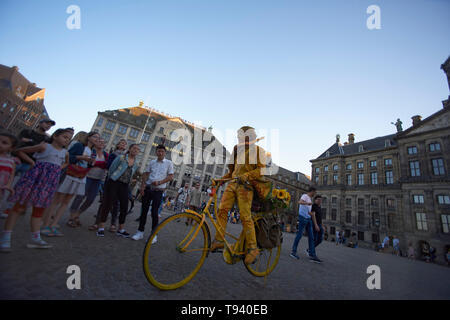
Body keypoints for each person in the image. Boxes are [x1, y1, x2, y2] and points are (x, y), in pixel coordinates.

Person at [0, 129, 71, 252]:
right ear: (55, 136)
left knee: (39, 209)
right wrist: (32, 162)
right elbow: (20, 151)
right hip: (35, 179)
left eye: (69, 138)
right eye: (65, 136)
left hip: (48, 183)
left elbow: (66, 163)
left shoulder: (65, 153)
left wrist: (58, 168)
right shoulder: (44, 146)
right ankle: (6, 236)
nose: (67, 139)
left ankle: (36, 237)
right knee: (19, 207)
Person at [210, 126, 271, 265]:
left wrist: (247, 175)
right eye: (238, 137)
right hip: (232, 184)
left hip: (246, 187)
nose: (239, 139)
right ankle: (219, 240)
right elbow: (231, 173)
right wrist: (219, 181)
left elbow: (263, 170)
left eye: (241, 137)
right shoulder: (236, 150)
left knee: (244, 215)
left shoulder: (258, 151)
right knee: (222, 210)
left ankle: (253, 248)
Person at [43, 131, 99, 234]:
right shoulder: (79, 145)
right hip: (70, 173)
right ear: (89, 137)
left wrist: (91, 163)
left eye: (98, 138)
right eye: (95, 136)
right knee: (57, 199)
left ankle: (54, 224)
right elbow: (67, 157)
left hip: (80, 176)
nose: (97, 139)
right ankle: (45, 225)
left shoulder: (93, 152)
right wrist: (80, 157)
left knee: (66, 202)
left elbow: (89, 165)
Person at [60, 137, 109, 233]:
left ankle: (77, 214)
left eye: (103, 142)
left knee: (91, 199)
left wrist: (97, 163)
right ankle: (71, 217)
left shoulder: (105, 154)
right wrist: (99, 164)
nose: (101, 143)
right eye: (99, 141)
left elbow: (105, 165)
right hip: (87, 176)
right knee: (80, 196)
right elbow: (91, 163)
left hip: (98, 179)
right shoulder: (91, 151)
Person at [96, 144, 141, 237]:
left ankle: (121, 229)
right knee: (107, 204)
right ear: (129, 149)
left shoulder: (136, 163)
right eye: (134, 148)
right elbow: (112, 169)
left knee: (124, 206)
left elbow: (133, 174)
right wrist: (112, 179)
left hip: (124, 185)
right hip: (114, 182)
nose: (135, 150)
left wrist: (132, 180)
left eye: (137, 149)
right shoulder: (121, 158)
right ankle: (101, 227)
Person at [131, 144, 174, 242]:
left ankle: (154, 235)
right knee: (144, 211)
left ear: (165, 153)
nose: (160, 153)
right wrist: (142, 187)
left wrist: (160, 182)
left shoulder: (169, 163)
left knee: (155, 213)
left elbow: (171, 177)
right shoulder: (152, 162)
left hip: (158, 191)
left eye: (162, 151)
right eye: (158, 151)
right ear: (156, 152)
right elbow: (145, 175)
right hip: (148, 189)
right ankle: (140, 232)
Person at [89, 139, 127, 232]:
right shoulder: (113, 154)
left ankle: (113, 224)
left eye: (125, 144)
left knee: (116, 204)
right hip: (111, 180)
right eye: (121, 143)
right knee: (105, 202)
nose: (123, 145)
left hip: (121, 182)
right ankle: (97, 222)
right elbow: (108, 165)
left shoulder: (126, 156)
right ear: (117, 145)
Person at [290, 187, 322, 263]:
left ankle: (312, 255)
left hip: (308, 219)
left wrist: (312, 214)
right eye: (315, 192)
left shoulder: (309, 199)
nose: (315, 194)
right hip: (302, 218)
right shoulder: (305, 196)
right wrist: (307, 203)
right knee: (299, 235)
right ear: (312, 191)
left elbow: (307, 210)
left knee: (311, 237)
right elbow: (300, 202)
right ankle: (293, 252)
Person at [0, 131, 18, 200]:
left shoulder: (11, 161)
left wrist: (8, 185)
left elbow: (11, 175)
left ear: (11, 148)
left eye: (4, 143)